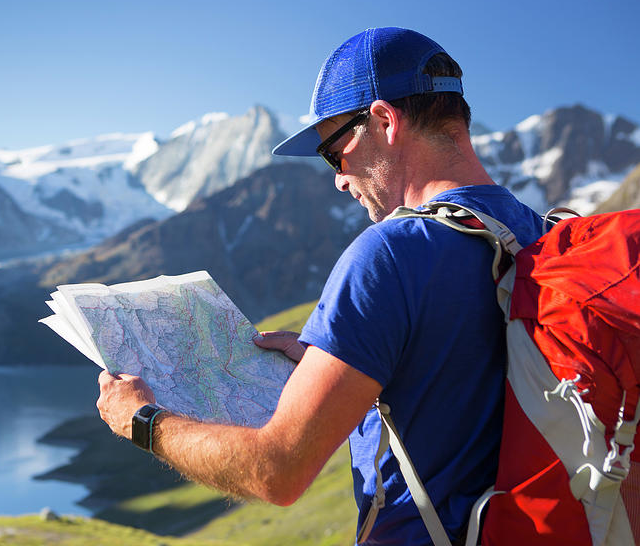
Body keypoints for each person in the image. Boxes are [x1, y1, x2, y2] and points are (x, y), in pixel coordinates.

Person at [96, 27, 545, 545]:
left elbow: (277, 471)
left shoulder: (392, 253)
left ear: (384, 120)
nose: (338, 177)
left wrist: (143, 420)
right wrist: (339, 354)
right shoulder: (545, 234)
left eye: (334, 150)